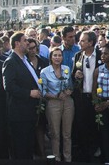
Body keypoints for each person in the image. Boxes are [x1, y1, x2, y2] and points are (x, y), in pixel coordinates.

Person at [2, 32, 41, 159]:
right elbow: (9, 86)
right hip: (19, 114)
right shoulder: (11, 61)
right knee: (21, 148)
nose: (28, 43)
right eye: (25, 41)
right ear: (17, 43)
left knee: (28, 146)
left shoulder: (25, 60)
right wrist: (29, 93)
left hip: (29, 111)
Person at [71, 30, 101, 162]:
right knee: (82, 126)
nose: (80, 43)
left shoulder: (101, 55)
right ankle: (84, 153)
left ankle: (97, 150)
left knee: (96, 126)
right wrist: (75, 75)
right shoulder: (78, 56)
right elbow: (73, 74)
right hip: (82, 97)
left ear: (91, 43)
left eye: (83, 40)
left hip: (97, 97)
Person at [41, 47, 74, 162]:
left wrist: (69, 91)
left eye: (59, 55)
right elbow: (43, 92)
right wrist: (55, 96)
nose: (57, 58)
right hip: (53, 103)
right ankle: (56, 159)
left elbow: (70, 85)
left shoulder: (67, 68)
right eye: (55, 55)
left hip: (68, 101)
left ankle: (68, 158)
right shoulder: (44, 71)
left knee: (67, 134)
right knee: (55, 133)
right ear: (50, 57)